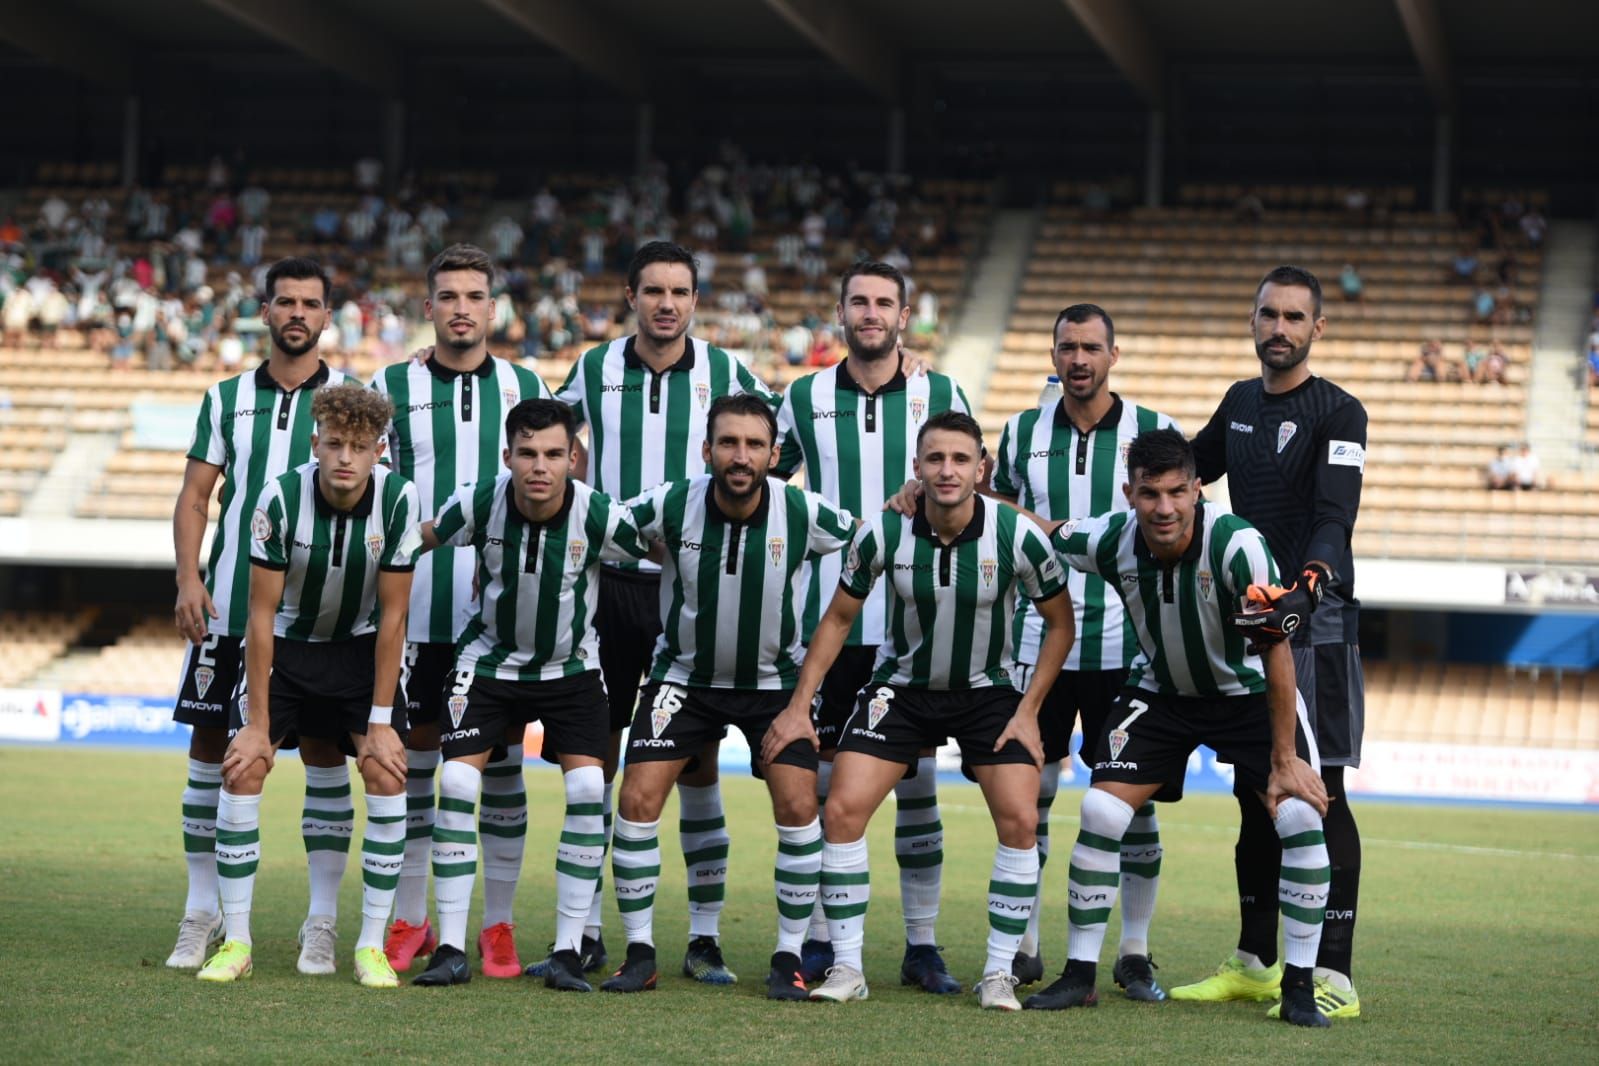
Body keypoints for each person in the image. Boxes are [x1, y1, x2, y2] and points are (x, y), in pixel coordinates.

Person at [763, 411, 1075, 1012]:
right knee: (844, 810)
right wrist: (800, 706)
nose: (947, 470)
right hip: (900, 690)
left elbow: (1061, 623)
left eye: (960, 459)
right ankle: (849, 967)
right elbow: (837, 619)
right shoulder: (883, 533)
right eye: (935, 459)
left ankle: (998, 974)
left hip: (989, 693)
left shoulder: (1017, 534)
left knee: (1019, 820)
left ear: (982, 468)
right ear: (917, 468)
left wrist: (1030, 710)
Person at [1029, 428, 1333, 1027]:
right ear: (1129, 494)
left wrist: (1281, 758)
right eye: (1149, 494)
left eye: (1176, 492)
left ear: (1198, 489)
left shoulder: (1237, 544)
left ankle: (1298, 987)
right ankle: (1080, 975)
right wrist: (973, 497)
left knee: (1298, 814)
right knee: (1100, 813)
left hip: (1247, 693)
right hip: (1161, 693)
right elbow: (1045, 530)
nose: (1163, 508)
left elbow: (1276, 651)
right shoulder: (1112, 539)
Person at [552, 241, 779, 984]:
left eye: (679, 291)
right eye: (653, 290)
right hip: (608, 583)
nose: (666, 304)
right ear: (630, 295)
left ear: (694, 299)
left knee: (698, 760)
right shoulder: (593, 368)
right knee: (600, 751)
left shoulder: (729, 373)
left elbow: (781, 455)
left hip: (689, 585)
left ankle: (704, 936)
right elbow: (548, 439)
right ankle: (585, 929)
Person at [600, 394, 857, 998]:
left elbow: (874, 539)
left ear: (773, 454)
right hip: (683, 681)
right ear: (707, 449)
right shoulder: (671, 503)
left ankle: (786, 958)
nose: (740, 457)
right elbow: (599, 522)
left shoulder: (803, 511)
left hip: (774, 688)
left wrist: (910, 500)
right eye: (728, 443)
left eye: (752, 445)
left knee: (798, 807)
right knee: (636, 799)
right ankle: (640, 952)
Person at [771, 261, 972, 992]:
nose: (870, 313)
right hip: (828, 618)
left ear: (904, 314)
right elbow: (766, 479)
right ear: (840, 311)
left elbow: (973, 483)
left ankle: (921, 945)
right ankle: (823, 940)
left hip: (913, 624)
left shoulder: (939, 392)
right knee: (828, 787)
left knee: (915, 788)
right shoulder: (801, 395)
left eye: (884, 302)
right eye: (859, 301)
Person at [408, 400, 651, 990]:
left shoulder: (599, 514)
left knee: (590, 787)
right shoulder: (477, 502)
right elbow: (419, 541)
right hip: (487, 663)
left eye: (552, 454)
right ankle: (450, 949)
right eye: (527, 454)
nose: (539, 467)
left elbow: (666, 549)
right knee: (460, 781)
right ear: (507, 456)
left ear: (573, 459)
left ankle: (568, 952)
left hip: (570, 668)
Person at [1183, 265, 1367, 1020]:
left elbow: (1334, 511)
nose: (1279, 328)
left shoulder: (1339, 412)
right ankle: (1257, 960)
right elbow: (1181, 471)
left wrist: (1309, 583)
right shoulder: (1237, 404)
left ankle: (1335, 975)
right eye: (1268, 314)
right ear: (1252, 318)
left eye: (1294, 317)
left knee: (1320, 793)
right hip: (1248, 620)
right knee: (1251, 789)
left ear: (1316, 328)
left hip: (1314, 621)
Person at [369, 244, 553, 980]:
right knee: (416, 763)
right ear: (429, 307)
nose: (462, 308)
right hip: (415, 610)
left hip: (503, 618)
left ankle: (498, 927)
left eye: (475, 295)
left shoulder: (527, 383)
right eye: (448, 295)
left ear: (493, 306)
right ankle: (411, 917)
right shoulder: (388, 383)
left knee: (501, 765)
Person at [197, 384, 421, 986]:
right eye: (335, 444)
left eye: (359, 446)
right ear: (315, 443)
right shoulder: (277, 498)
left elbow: (394, 618)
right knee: (244, 767)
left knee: (386, 769)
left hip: (358, 650)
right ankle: (237, 942)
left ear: (379, 451)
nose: (346, 457)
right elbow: (262, 617)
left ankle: (368, 944)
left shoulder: (399, 500)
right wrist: (258, 725)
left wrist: (379, 722)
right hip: (288, 650)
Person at [988, 304, 1181, 995]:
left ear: (1113, 354)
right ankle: (1026, 946)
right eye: (1066, 347)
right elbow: (997, 523)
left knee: (1133, 804)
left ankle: (1132, 949)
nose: (1078, 359)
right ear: (1052, 352)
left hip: (1127, 649)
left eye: (1090, 347)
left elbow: (1169, 524)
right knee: (1027, 797)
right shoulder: (1017, 433)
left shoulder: (1151, 431)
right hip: (1037, 643)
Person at [166, 257, 350, 971]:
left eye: (311, 302)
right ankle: (200, 912)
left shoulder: (352, 400)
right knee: (211, 754)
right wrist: (188, 577)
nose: (297, 313)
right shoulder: (225, 397)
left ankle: (323, 922)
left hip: (320, 618)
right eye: (285, 302)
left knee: (327, 757)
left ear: (327, 316)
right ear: (265, 312)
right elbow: (194, 497)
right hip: (230, 608)